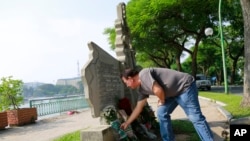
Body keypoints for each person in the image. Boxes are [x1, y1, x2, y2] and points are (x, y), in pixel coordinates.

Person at [120, 67, 214, 141]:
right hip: (171, 94)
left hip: (185, 87)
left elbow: (158, 90)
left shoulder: (143, 74)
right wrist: (127, 122)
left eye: (125, 83)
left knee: (195, 117)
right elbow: (138, 108)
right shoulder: (142, 90)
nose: (127, 86)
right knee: (161, 113)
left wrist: (162, 100)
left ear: (130, 79)